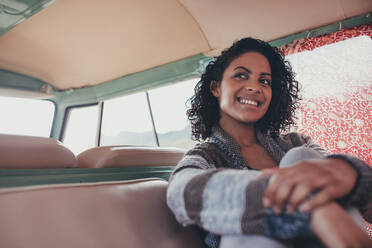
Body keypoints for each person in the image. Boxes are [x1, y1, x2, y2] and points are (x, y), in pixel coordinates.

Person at [166, 37, 372, 247]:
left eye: (264, 81)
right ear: (215, 87)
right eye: (241, 75)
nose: (254, 87)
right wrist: (313, 208)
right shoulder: (204, 156)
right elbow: (180, 193)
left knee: (300, 157)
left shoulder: (296, 142)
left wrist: (353, 175)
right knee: (243, 231)